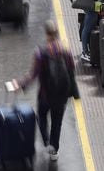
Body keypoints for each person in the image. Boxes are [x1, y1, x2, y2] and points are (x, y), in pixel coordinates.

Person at [11, 20, 79, 161]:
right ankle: (54, 150)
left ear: (47, 34)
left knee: (42, 117)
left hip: (45, 95)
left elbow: (33, 75)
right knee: (57, 122)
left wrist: (20, 84)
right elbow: (72, 72)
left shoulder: (41, 53)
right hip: (61, 96)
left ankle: (47, 142)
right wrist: (74, 92)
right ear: (57, 34)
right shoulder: (66, 52)